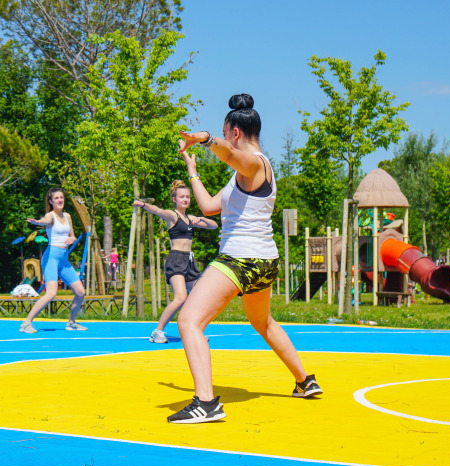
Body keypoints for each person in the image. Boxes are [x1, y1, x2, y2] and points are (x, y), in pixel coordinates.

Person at [167, 94, 322, 424]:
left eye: (225, 133)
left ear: (234, 132)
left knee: (188, 321)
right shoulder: (239, 176)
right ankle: (305, 381)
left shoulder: (256, 164)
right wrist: (192, 171)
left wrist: (208, 139)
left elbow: (233, 156)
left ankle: (206, 403)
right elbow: (209, 206)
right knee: (262, 322)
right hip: (263, 262)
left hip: (241, 259)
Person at [133, 180, 218, 343]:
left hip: (190, 261)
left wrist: (201, 219)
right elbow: (158, 211)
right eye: (181, 197)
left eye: (187, 197)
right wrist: (143, 204)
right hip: (176, 259)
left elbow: (213, 226)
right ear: (175, 199)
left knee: (199, 298)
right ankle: (157, 331)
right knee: (180, 297)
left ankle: (195, 330)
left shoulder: (191, 218)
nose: (185, 199)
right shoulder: (173, 216)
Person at [20, 187, 87, 334]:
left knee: (80, 292)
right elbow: (45, 221)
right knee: (51, 293)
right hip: (51, 258)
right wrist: (38, 221)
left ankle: (71, 323)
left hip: (63, 260)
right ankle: (26, 323)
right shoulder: (50, 216)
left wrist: (72, 238)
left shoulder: (67, 216)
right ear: (51, 201)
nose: (60, 200)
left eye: (61, 197)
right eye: (56, 198)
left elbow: (73, 236)